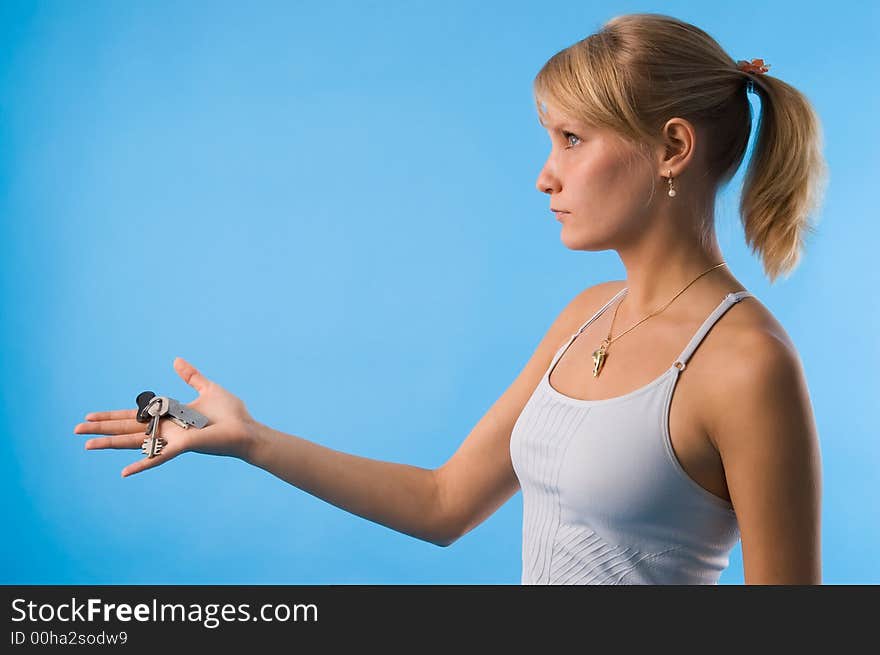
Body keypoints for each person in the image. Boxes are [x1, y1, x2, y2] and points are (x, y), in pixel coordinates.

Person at [74, 13, 826, 584]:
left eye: (571, 138)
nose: (545, 175)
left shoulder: (746, 364)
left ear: (671, 148)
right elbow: (444, 504)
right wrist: (251, 438)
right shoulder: (587, 313)